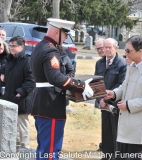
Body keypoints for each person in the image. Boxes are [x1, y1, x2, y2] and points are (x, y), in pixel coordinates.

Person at [30, 18, 94, 160]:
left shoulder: (41, 46)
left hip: (42, 103)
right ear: (57, 31)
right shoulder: (50, 50)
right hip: (50, 105)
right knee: (51, 152)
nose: (66, 38)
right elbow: (55, 77)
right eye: (65, 34)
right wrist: (81, 86)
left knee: (44, 150)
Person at [104, 35, 142, 160]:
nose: (125, 54)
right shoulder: (132, 66)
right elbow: (125, 86)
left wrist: (129, 105)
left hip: (139, 128)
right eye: (125, 50)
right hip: (126, 126)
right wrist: (114, 94)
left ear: (140, 51)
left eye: (128, 51)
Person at [1, 36, 35, 149]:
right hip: (8, 99)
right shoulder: (9, 60)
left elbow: (31, 81)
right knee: (10, 131)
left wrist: (20, 93)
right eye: (10, 46)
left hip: (21, 100)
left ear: (22, 46)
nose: (11, 48)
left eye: (14, 46)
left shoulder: (27, 61)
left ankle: (24, 150)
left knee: (21, 130)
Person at [94, 38, 127, 159]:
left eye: (109, 47)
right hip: (103, 103)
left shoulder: (122, 64)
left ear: (116, 48)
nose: (106, 50)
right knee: (106, 130)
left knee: (115, 131)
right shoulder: (100, 63)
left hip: (115, 103)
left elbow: (120, 85)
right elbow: (96, 82)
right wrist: (99, 100)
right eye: (104, 47)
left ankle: (115, 155)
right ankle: (106, 154)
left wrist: (106, 100)